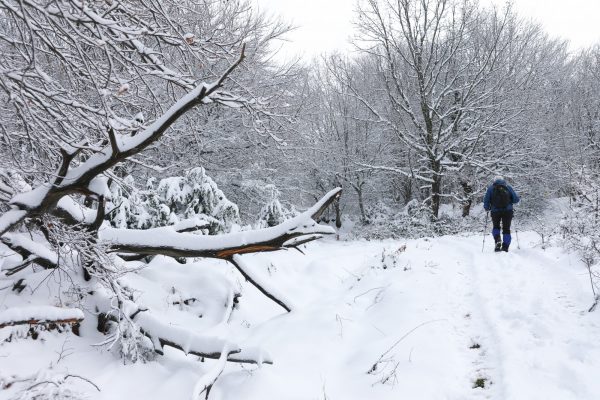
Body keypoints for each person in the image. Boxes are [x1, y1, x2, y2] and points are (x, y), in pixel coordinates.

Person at [483, 176, 520, 252]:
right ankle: (505, 247)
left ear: (494, 181)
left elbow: (486, 200)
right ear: (503, 180)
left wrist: (487, 208)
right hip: (508, 211)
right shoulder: (508, 187)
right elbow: (515, 200)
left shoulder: (490, 188)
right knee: (506, 229)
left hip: (495, 211)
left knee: (496, 227)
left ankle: (497, 240)